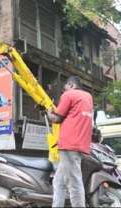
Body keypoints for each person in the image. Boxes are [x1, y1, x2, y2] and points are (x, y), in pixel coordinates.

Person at [46, 76, 93, 207]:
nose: (63, 91)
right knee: (58, 181)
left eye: (64, 87)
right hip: (80, 144)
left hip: (69, 144)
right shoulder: (87, 96)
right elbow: (72, 115)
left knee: (74, 182)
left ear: (71, 85)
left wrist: (48, 112)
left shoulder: (69, 94)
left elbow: (56, 119)